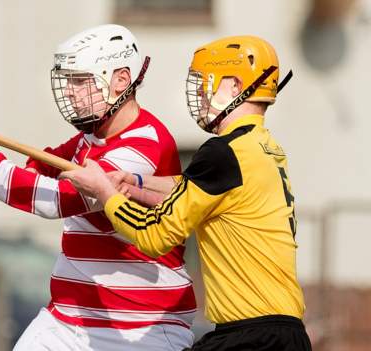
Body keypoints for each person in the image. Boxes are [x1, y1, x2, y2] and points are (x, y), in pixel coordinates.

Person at [0, 24, 196, 350]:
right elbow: (38, 166)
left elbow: (58, 200)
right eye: (69, 81)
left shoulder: (144, 145)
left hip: (141, 326)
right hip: (69, 319)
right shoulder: (90, 139)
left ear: (121, 81)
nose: (70, 92)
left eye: (81, 81)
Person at [61, 35, 312, 351]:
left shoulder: (222, 152)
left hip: (251, 338)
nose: (201, 96)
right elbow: (197, 191)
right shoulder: (263, 149)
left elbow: (154, 235)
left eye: (207, 83)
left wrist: (105, 192)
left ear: (235, 86)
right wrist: (136, 182)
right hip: (284, 336)